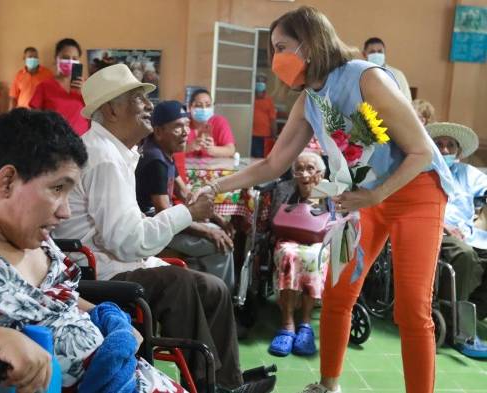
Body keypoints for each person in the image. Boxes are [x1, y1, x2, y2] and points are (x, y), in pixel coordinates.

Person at [194, 6, 455, 393]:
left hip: (417, 191)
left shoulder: (366, 78)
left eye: (282, 46)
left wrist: (375, 195)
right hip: (366, 198)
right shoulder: (310, 100)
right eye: (273, 49)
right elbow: (272, 163)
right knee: (337, 293)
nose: (275, 58)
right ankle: (328, 385)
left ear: (311, 44)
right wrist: (214, 187)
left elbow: (420, 152)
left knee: (412, 309)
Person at [0, 108, 187, 393]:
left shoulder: (26, 233)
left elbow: (56, 296)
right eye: (58, 189)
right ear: (7, 181)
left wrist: (103, 316)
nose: (66, 211)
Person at [53, 64, 275, 393]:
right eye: (138, 98)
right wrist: (188, 212)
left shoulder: (117, 152)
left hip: (116, 261)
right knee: (178, 283)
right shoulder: (104, 157)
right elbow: (128, 242)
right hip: (97, 273)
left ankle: (227, 381)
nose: (149, 105)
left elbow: (128, 231)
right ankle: (207, 386)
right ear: (112, 109)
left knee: (213, 288)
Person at [135, 100, 236, 290]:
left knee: (217, 230)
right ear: (158, 131)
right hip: (151, 228)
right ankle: (219, 296)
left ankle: (209, 291)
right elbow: (164, 213)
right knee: (218, 245)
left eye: (187, 125)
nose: (186, 132)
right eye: (178, 127)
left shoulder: (165, 153)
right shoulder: (155, 160)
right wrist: (208, 230)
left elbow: (186, 194)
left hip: (164, 222)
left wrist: (217, 218)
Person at [268, 152, 329, 357]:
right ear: (293, 173)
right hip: (287, 239)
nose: (304, 174)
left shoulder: (329, 191)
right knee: (288, 254)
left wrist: (315, 196)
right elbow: (274, 221)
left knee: (313, 256)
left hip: (319, 242)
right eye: (299, 169)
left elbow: (338, 222)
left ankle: (305, 324)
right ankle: (287, 324)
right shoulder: (284, 189)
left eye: (310, 169)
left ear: (320, 172)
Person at [427, 123, 487, 328]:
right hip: (434, 231)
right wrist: (445, 227)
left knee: (473, 250)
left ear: (458, 151)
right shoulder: (422, 172)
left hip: (467, 234)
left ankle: (473, 313)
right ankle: (454, 322)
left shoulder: (467, 173)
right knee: (465, 255)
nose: (444, 150)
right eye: (439, 144)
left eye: (450, 145)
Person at [29, 38, 90, 136]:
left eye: (74, 58)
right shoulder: (44, 86)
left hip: (84, 142)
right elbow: (34, 119)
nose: (70, 61)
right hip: (54, 143)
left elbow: (96, 115)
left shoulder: (87, 85)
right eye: (65, 57)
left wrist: (85, 93)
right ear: (56, 58)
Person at [185, 88, 236, 158]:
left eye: (208, 105)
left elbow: (231, 150)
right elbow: (169, 151)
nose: (204, 109)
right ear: (190, 107)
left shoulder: (219, 122)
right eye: (198, 105)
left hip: (213, 167)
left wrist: (212, 149)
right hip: (185, 167)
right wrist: (189, 147)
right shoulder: (183, 123)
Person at [363, 37, 412, 102]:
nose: (376, 54)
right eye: (372, 52)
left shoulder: (397, 75)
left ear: (384, 54)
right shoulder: (359, 75)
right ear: (364, 54)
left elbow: (407, 101)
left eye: (380, 52)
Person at [252, 75, 278, 158]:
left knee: (260, 160)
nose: (260, 84)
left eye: (262, 82)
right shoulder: (250, 99)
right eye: (258, 81)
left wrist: (274, 136)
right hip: (250, 135)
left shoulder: (268, 101)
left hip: (264, 136)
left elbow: (272, 119)